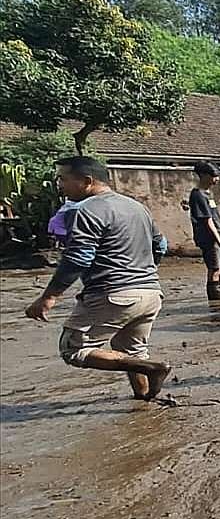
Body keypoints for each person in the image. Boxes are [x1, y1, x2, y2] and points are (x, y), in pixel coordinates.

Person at [24, 156, 172, 401]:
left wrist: (48, 297)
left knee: (73, 349)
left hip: (113, 293)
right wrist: (144, 272)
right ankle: (145, 398)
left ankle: (152, 369)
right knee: (132, 350)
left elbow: (78, 257)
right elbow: (161, 244)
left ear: (87, 181)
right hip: (150, 293)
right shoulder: (137, 207)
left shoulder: (88, 209)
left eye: (63, 178)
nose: (59, 184)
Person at [189, 161, 220, 303]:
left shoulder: (207, 194)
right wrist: (219, 241)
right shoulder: (198, 195)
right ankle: (216, 304)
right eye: (214, 176)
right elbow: (207, 221)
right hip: (209, 239)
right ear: (204, 175)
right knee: (214, 269)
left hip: (215, 237)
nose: (216, 179)